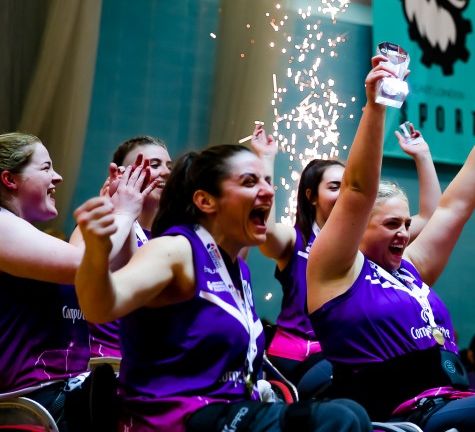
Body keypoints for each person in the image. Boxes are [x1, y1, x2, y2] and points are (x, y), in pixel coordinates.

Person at [306, 56, 475, 431]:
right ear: (358, 227)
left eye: (406, 224)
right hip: (402, 413)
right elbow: (357, 189)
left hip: (447, 400)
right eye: (391, 224)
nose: (404, 233)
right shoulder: (336, 272)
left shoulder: (408, 269)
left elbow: (453, 209)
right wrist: (377, 106)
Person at [73, 143, 370, 432]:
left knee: (353, 411)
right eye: (249, 182)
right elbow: (100, 307)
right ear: (205, 201)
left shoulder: (235, 266)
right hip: (174, 417)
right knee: (335, 420)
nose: (268, 191)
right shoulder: (175, 250)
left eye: (267, 181)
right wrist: (98, 252)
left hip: (228, 409)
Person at [252, 120, 440, 396]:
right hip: (293, 356)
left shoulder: (371, 237)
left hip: (340, 350)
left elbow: (432, 221)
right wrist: (265, 159)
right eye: (335, 186)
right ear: (311, 196)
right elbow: (265, 232)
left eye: (349, 184)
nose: (345, 194)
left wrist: (423, 156)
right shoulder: (294, 239)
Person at [0, 132, 149, 428]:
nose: (58, 177)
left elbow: (119, 269)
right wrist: (122, 213)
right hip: (30, 407)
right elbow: (84, 264)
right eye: (45, 168)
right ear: (10, 179)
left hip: (64, 396)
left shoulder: (27, 234)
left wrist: (116, 214)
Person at [84, 135, 173, 359]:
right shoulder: (108, 226)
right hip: (111, 361)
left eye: (169, 166)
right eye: (154, 165)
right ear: (122, 175)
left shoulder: (174, 236)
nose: (166, 172)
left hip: (159, 357)